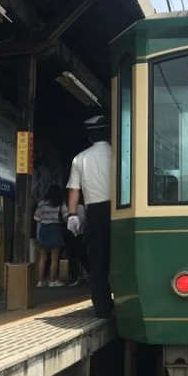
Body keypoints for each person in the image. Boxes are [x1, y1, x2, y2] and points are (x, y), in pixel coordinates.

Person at [66, 115, 114, 318]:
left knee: (97, 260)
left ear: (89, 136)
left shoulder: (80, 158)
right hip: (120, 209)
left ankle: (103, 308)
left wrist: (72, 215)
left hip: (95, 212)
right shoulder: (119, 153)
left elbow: (74, 190)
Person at [33, 184, 68, 288]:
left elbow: (37, 219)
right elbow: (66, 218)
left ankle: (40, 281)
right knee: (54, 258)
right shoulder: (61, 204)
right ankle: (52, 280)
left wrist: (37, 235)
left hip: (43, 229)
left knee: (42, 258)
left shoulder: (41, 204)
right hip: (55, 229)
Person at [63, 201, 91, 286]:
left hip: (70, 234)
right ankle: (89, 273)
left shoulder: (66, 206)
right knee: (83, 256)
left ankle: (74, 277)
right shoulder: (82, 207)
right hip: (80, 234)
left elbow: (65, 219)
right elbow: (84, 219)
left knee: (72, 256)